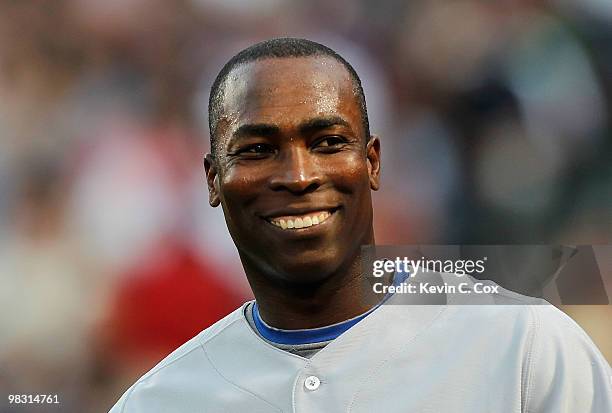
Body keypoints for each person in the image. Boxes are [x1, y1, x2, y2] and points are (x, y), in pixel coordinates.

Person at [109, 38, 612, 412]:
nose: (299, 176)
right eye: (257, 150)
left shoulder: (524, 347)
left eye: (327, 142)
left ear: (371, 162)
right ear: (214, 180)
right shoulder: (158, 402)